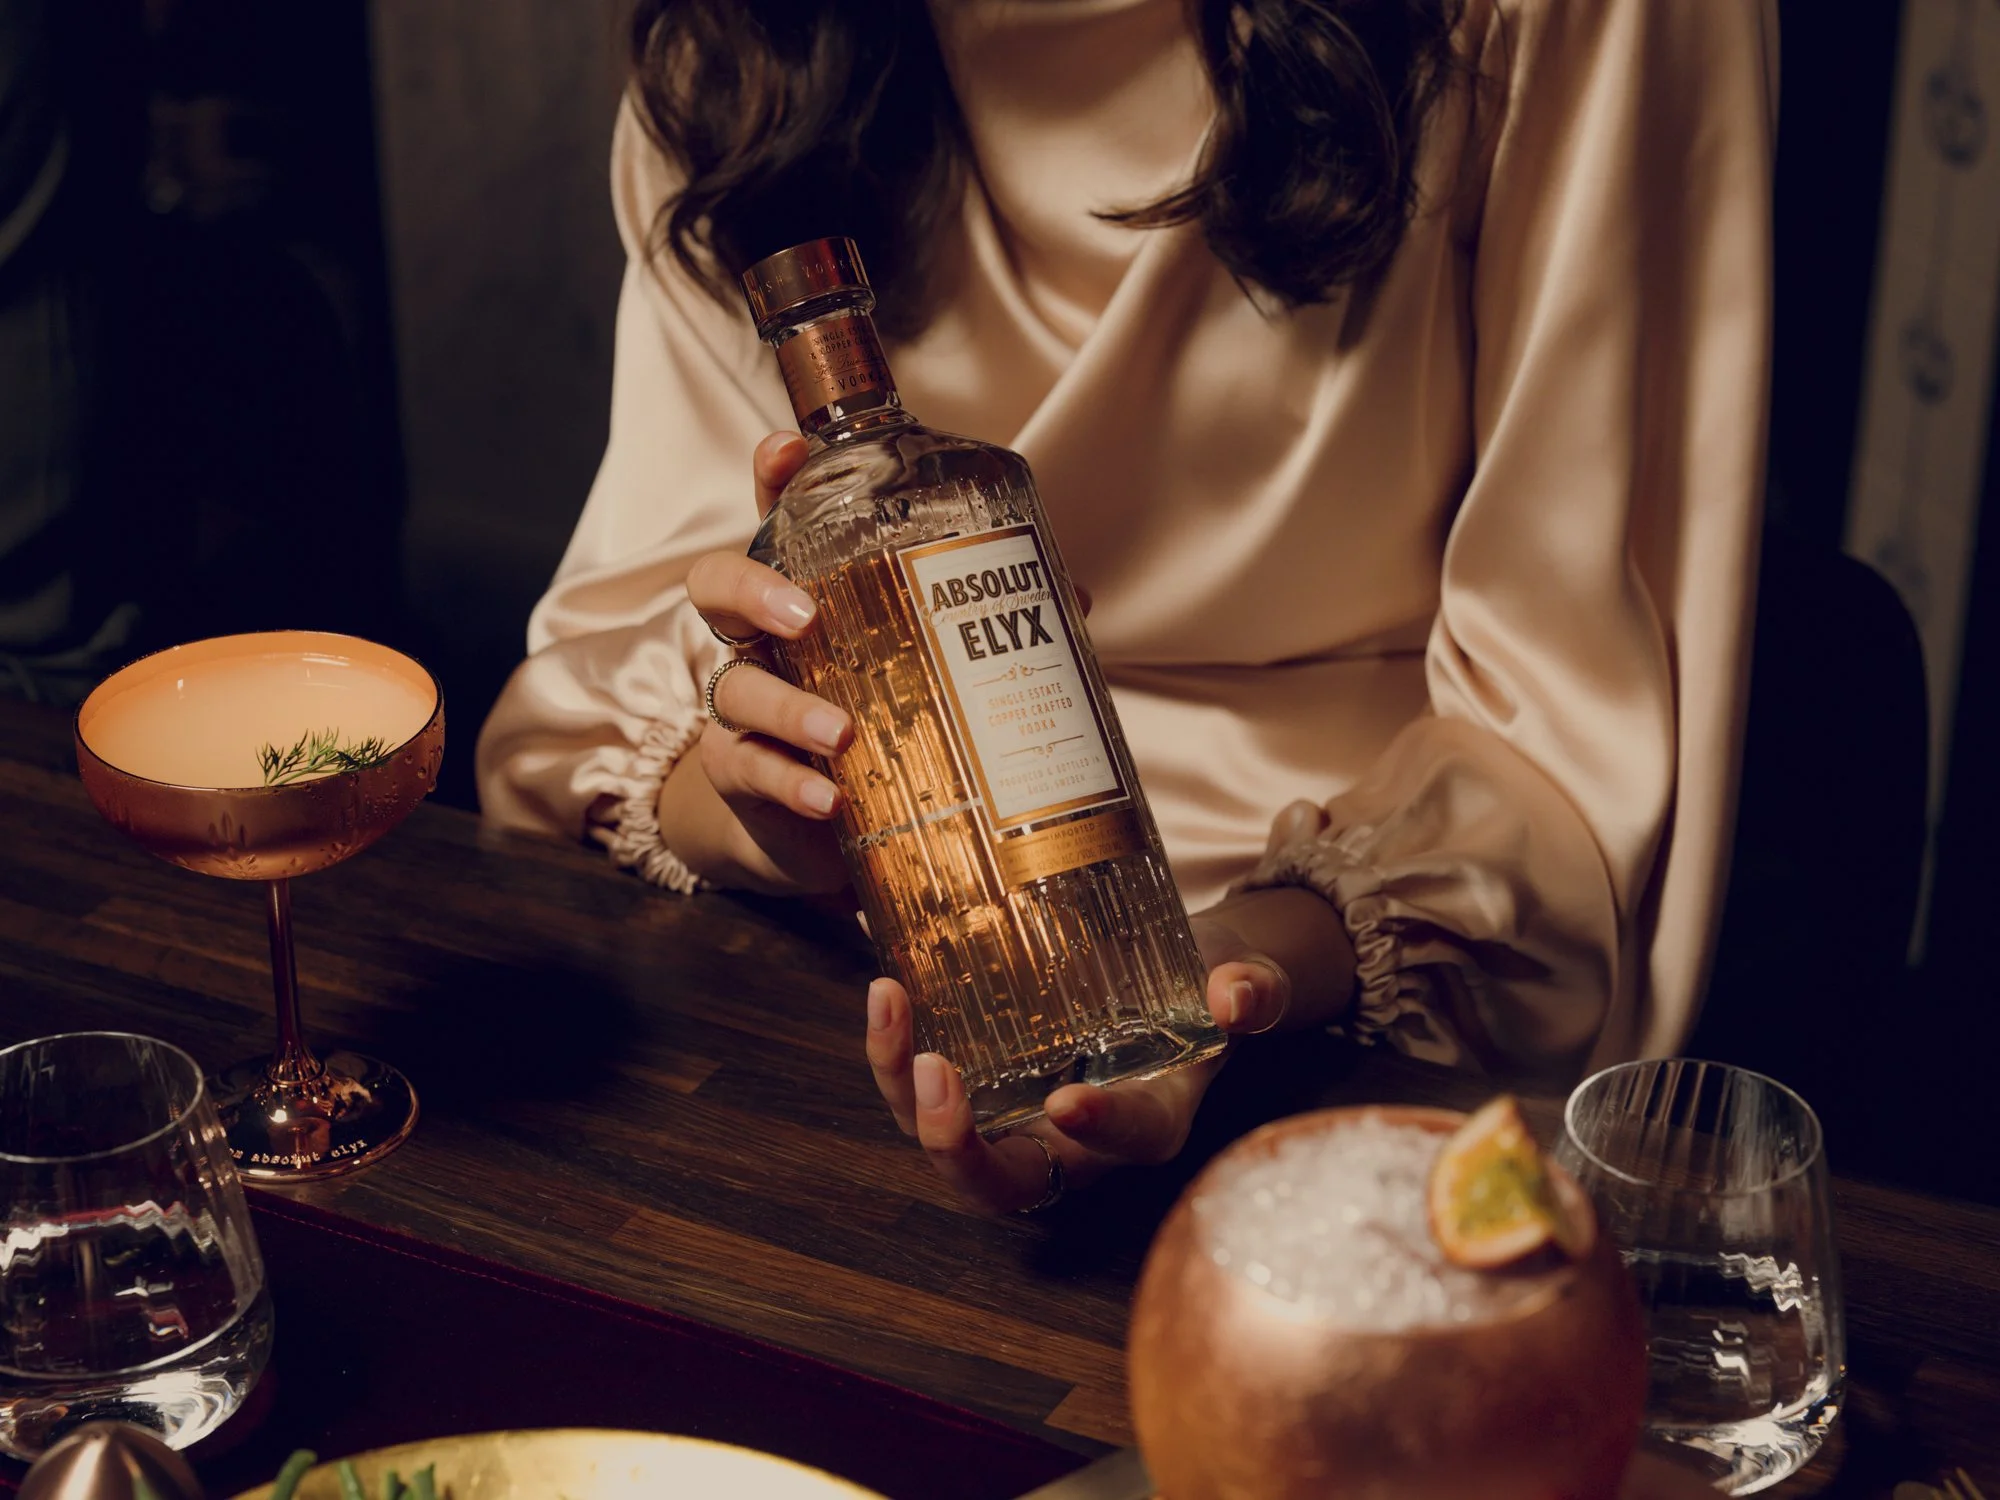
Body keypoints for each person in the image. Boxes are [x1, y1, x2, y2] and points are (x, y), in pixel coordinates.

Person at [477, 0, 1778, 1214]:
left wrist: (1232, 976)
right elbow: (618, 680)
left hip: (1379, 1040)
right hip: (874, 1007)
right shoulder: (740, 55)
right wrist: (768, 800)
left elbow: (1575, 727)